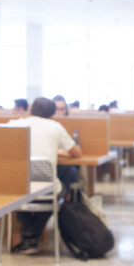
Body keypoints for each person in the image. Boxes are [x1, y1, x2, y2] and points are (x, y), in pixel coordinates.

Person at [11, 96, 82, 254]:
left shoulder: (14, 124)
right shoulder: (55, 126)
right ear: (52, 115)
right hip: (44, 182)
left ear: (31, 110)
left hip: (18, 183)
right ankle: (32, 235)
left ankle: (28, 237)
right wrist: (57, 152)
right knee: (60, 187)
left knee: (20, 196)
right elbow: (77, 153)